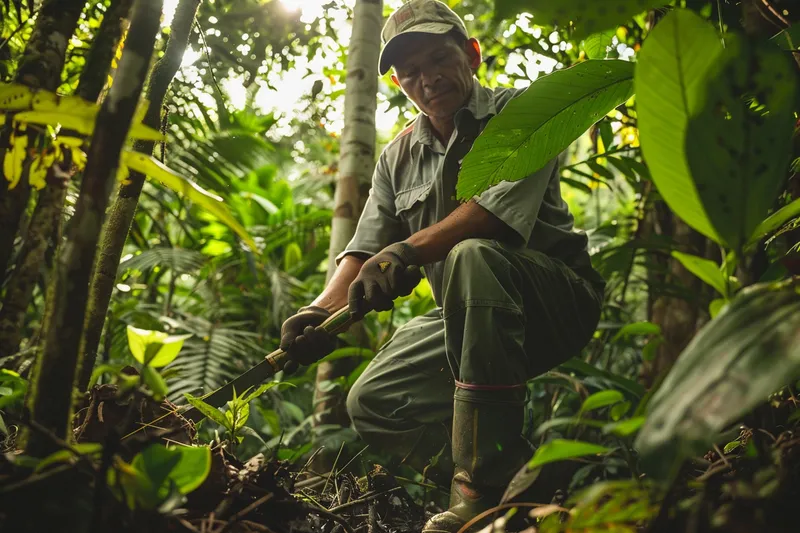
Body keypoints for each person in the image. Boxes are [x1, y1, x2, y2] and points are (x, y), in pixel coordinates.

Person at [279, 1, 606, 531]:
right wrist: (318, 311)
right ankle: (520, 484)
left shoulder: (521, 112)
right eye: (409, 73)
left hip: (555, 301)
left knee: (470, 255)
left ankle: (479, 494)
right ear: (397, 82)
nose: (426, 79)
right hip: (468, 318)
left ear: (472, 54)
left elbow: (491, 217)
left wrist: (407, 251)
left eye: (438, 58)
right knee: (375, 400)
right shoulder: (396, 156)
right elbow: (364, 248)